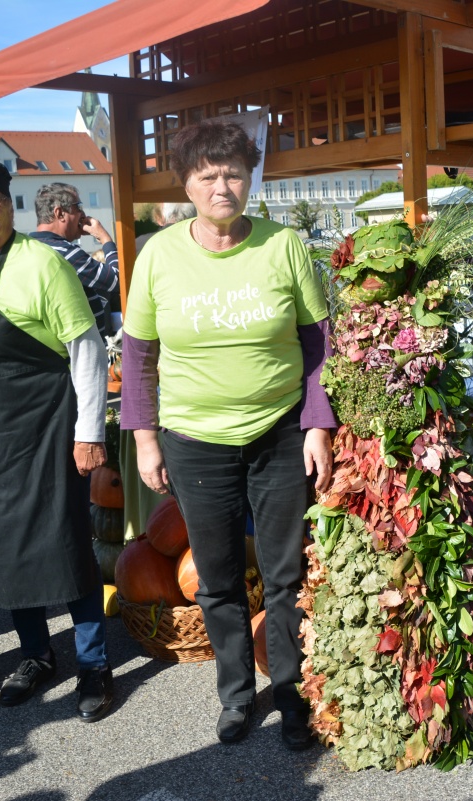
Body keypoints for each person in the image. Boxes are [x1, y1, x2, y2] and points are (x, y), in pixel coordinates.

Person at [120, 120, 335, 750]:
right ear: (186, 183)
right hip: (194, 438)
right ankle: (237, 694)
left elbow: (315, 342)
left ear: (250, 178)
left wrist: (317, 424)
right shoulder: (159, 254)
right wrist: (145, 438)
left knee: (284, 572)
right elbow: (137, 355)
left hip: (277, 433)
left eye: (235, 173)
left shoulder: (283, 244)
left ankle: (292, 693)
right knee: (215, 577)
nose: (223, 186)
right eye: (208, 175)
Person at [0, 156, 113, 722]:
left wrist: (89, 433)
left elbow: (85, 347)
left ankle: (93, 665)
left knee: (67, 547)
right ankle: (36, 656)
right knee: (4, 553)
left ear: (9, 207)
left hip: (46, 434)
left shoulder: (42, 263)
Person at [31, 182, 119, 339]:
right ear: (60, 213)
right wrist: (104, 238)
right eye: (78, 207)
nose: (83, 215)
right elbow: (117, 280)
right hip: (79, 352)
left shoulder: (29, 247)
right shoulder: (66, 253)